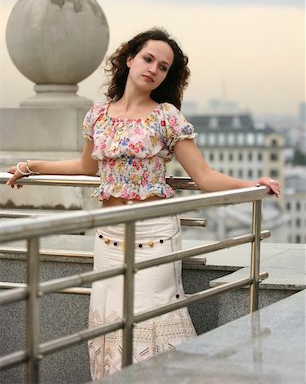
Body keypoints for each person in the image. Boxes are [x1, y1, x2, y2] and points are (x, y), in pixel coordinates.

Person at [6, 28, 281, 379]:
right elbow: (87, 167)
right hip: (107, 237)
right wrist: (32, 166)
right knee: (109, 330)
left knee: (153, 328)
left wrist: (251, 184)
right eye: (148, 59)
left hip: (153, 235)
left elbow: (204, 176)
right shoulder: (98, 116)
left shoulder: (166, 117)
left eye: (163, 67)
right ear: (129, 59)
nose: (154, 69)